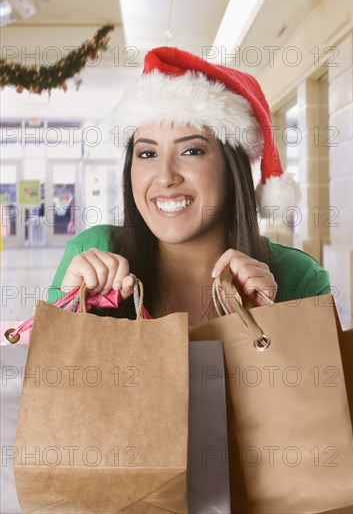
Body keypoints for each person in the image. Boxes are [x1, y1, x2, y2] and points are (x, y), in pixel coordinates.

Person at [48, 47, 330, 325]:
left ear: (232, 168)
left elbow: (324, 372)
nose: (165, 176)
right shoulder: (94, 252)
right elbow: (49, 370)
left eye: (191, 151)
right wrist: (68, 311)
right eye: (147, 154)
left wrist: (269, 321)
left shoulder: (300, 278)